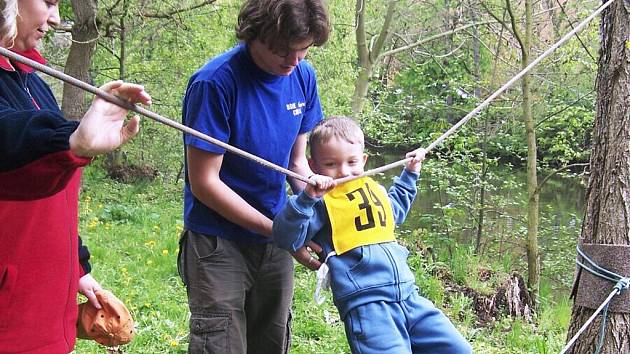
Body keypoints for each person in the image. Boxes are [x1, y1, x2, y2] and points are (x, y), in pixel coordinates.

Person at [177, 0, 330, 352]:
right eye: (283, 51)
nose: (293, 62)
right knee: (221, 344)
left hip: (274, 240)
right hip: (218, 243)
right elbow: (205, 183)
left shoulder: (303, 77)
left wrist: (315, 200)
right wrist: (280, 231)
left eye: (303, 51)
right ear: (254, 34)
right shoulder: (214, 83)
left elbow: (296, 162)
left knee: (271, 342)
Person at [0, 0, 151, 352]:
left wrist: (77, 267)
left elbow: (55, 196)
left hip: (41, 310)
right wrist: (71, 139)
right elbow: (9, 138)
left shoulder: (30, 82)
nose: (56, 18)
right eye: (49, 2)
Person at [272, 116, 472, 354]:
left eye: (351, 161)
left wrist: (410, 174)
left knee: (458, 349)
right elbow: (285, 237)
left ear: (364, 160)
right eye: (331, 164)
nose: (343, 171)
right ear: (312, 166)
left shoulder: (372, 188)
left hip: (408, 295)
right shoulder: (318, 202)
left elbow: (395, 210)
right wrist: (306, 198)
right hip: (367, 304)